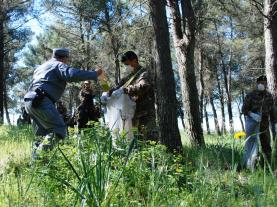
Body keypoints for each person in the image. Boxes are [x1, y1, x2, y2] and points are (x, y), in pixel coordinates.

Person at [24, 48, 102, 152]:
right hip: (41, 100)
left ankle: (36, 165)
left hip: (29, 100)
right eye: (67, 59)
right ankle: (39, 157)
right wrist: (94, 74)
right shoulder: (58, 64)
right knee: (59, 130)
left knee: (41, 136)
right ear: (64, 58)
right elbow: (72, 74)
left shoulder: (41, 67)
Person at [109, 51, 157, 140]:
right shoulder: (129, 77)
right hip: (134, 115)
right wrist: (110, 93)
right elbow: (119, 87)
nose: (127, 67)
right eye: (125, 65)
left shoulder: (144, 73)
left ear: (134, 60)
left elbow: (143, 86)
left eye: (127, 64)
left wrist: (126, 90)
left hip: (146, 113)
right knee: (136, 142)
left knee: (149, 140)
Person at [242, 75, 276, 170]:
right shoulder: (250, 95)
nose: (263, 85)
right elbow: (244, 110)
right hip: (253, 123)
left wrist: (275, 122)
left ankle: (268, 166)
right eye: (261, 83)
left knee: (266, 144)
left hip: (264, 123)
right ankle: (250, 166)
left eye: (265, 83)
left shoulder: (268, 96)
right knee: (252, 144)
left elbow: (272, 110)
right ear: (257, 83)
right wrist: (252, 114)